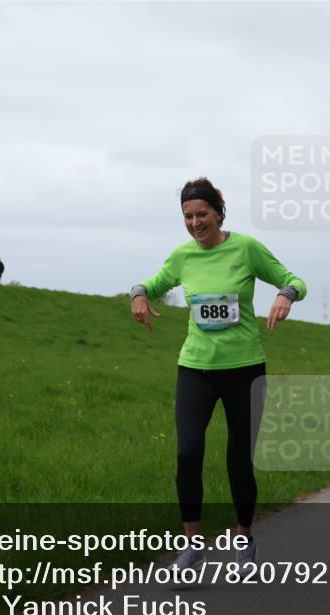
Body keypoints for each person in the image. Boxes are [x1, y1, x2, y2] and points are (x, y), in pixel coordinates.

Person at [130, 177, 306, 578]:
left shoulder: (246, 248)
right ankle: (192, 545)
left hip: (244, 368)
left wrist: (286, 295)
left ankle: (244, 539)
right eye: (188, 216)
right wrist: (138, 294)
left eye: (202, 214)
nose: (195, 223)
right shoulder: (183, 256)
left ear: (219, 212)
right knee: (188, 453)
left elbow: (294, 280)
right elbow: (152, 283)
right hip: (195, 368)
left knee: (239, 460)